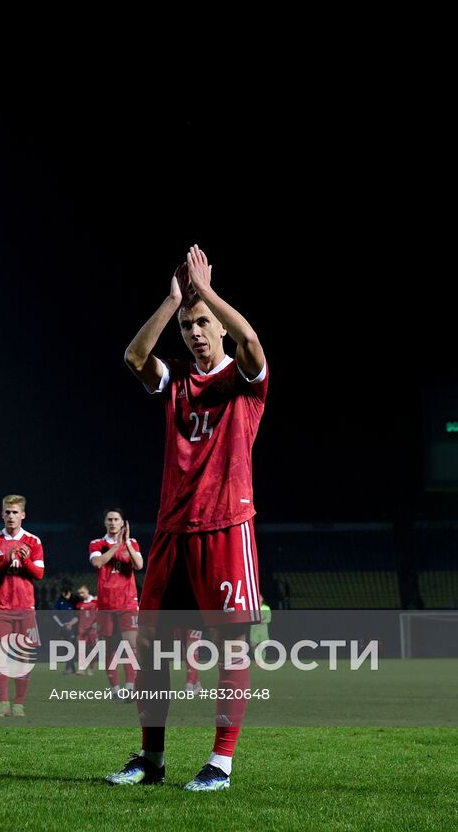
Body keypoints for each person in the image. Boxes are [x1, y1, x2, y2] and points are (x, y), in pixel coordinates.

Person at [108, 245, 268, 791]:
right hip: (172, 531)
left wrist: (209, 294)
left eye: (203, 324)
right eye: (188, 326)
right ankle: (152, 758)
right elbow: (133, 357)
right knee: (152, 651)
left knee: (231, 650)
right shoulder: (176, 380)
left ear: (218, 327)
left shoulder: (244, 383)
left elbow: (249, 342)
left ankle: (220, 762)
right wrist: (174, 299)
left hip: (226, 527)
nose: (196, 333)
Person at [0, 494, 45, 717]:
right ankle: (4, 703)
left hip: (25, 607)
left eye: (15, 512)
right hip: (0, 608)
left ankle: (19, 704)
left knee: (24, 658)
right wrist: (6, 560)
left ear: (23, 515)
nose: (11, 516)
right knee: (0, 656)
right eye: (7, 512)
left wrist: (25, 561)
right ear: (2, 514)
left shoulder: (33, 541)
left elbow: (39, 574)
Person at [89, 508, 143, 700]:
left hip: (128, 602)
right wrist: (116, 546)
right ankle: (115, 690)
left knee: (131, 645)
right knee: (110, 646)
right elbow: (98, 563)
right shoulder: (97, 543)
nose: (113, 523)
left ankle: (130, 687)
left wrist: (126, 543)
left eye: (116, 519)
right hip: (106, 603)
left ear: (123, 523)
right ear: (105, 523)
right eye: (109, 519)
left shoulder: (132, 543)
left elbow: (138, 565)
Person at [52, 585, 77, 677]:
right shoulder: (58, 602)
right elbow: (54, 615)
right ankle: (73, 670)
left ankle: (67, 669)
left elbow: (77, 616)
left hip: (72, 629)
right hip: (62, 629)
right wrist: (62, 625)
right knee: (67, 649)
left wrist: (70, 624)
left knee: (71, 648)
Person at [75, 584, 98, 676]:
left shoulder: (96, 602)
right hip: (82, 631)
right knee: (81, 650)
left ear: (87, 591)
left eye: (82, 592)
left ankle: (91, 668)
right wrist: (70, 624)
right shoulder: (80, 605)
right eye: (79, 593)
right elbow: (78, 617)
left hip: (93, 631)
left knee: (94, 650)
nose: (81, 594)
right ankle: (81, 669)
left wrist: (98, 622)